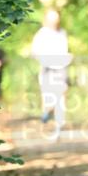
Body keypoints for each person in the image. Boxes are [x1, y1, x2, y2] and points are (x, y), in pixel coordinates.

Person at [30, 9, 71, 138]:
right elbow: (34, 52)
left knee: (63, 92)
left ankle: (59, 122)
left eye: (56, 17)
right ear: (47, 19)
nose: (55, 20)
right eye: (52, 17)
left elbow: (64, 51)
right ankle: (47, 116)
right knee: (49, 98)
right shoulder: (42, 34)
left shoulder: (62, 33)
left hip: (61, 68)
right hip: (47, 68)